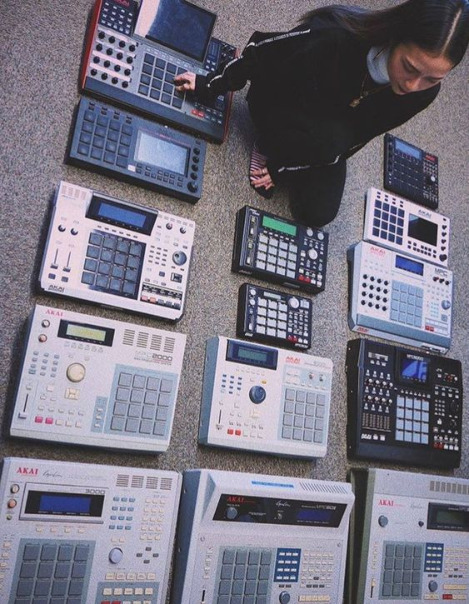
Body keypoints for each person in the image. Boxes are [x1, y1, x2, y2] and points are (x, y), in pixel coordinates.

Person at [175, 0, 469, 227]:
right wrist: (210, 84)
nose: (413, 85)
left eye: (432, 79)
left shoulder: (423, 92)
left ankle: (290, 153)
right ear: (396, 36)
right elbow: (260, 51)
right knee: (326, 138)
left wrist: (283, 168)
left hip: (331, 134)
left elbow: (359, 137)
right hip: (285, 100)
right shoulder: (334, 35)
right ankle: (268, 143)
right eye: (409, 67)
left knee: (317, 213)